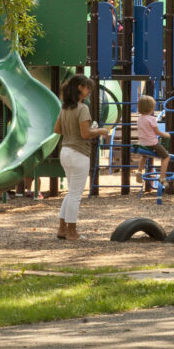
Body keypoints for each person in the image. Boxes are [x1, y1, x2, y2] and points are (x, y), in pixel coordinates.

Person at [53, 74, 111, 240]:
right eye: (88, 87)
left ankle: (62, 229)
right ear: (80, 87)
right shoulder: (82, 108)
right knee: (75, 195)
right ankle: (72, 231)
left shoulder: (65, 108)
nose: (89, 91)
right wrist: (100, 131)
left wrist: (72, 132)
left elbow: (57, 129)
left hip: (65, 151)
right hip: (79, 153)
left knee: (71, 192)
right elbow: (86, 134)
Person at [136, 95, 171, 184]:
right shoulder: (151, 119)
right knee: (166, 156)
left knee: (144, 156)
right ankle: (162, 177)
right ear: (151, 108)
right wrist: (166, 135)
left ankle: (139, 171)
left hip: (143, 143)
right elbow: (157, 132)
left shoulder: (139, 119)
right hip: (152, 143)